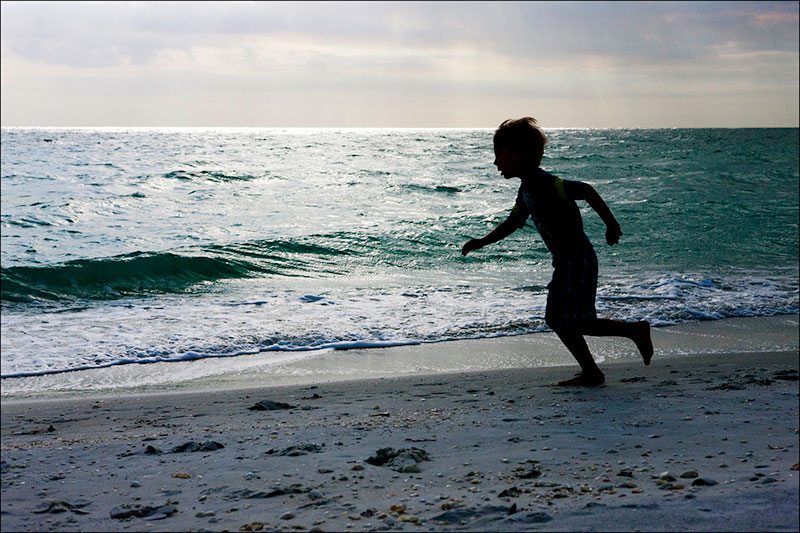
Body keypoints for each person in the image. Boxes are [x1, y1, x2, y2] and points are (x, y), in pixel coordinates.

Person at [461, 117, 653, 386]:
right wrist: (481, 241)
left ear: (517, 155)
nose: (495, 163)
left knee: (570, 320)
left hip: (578, 261)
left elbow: (585, 190)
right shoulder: (527, 189)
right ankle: (596, 367)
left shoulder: (546, 183)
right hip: (568, 262)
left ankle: (630, 334)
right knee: (565, 319)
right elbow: (513, 223)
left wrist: (611, 225)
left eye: (498, 156)